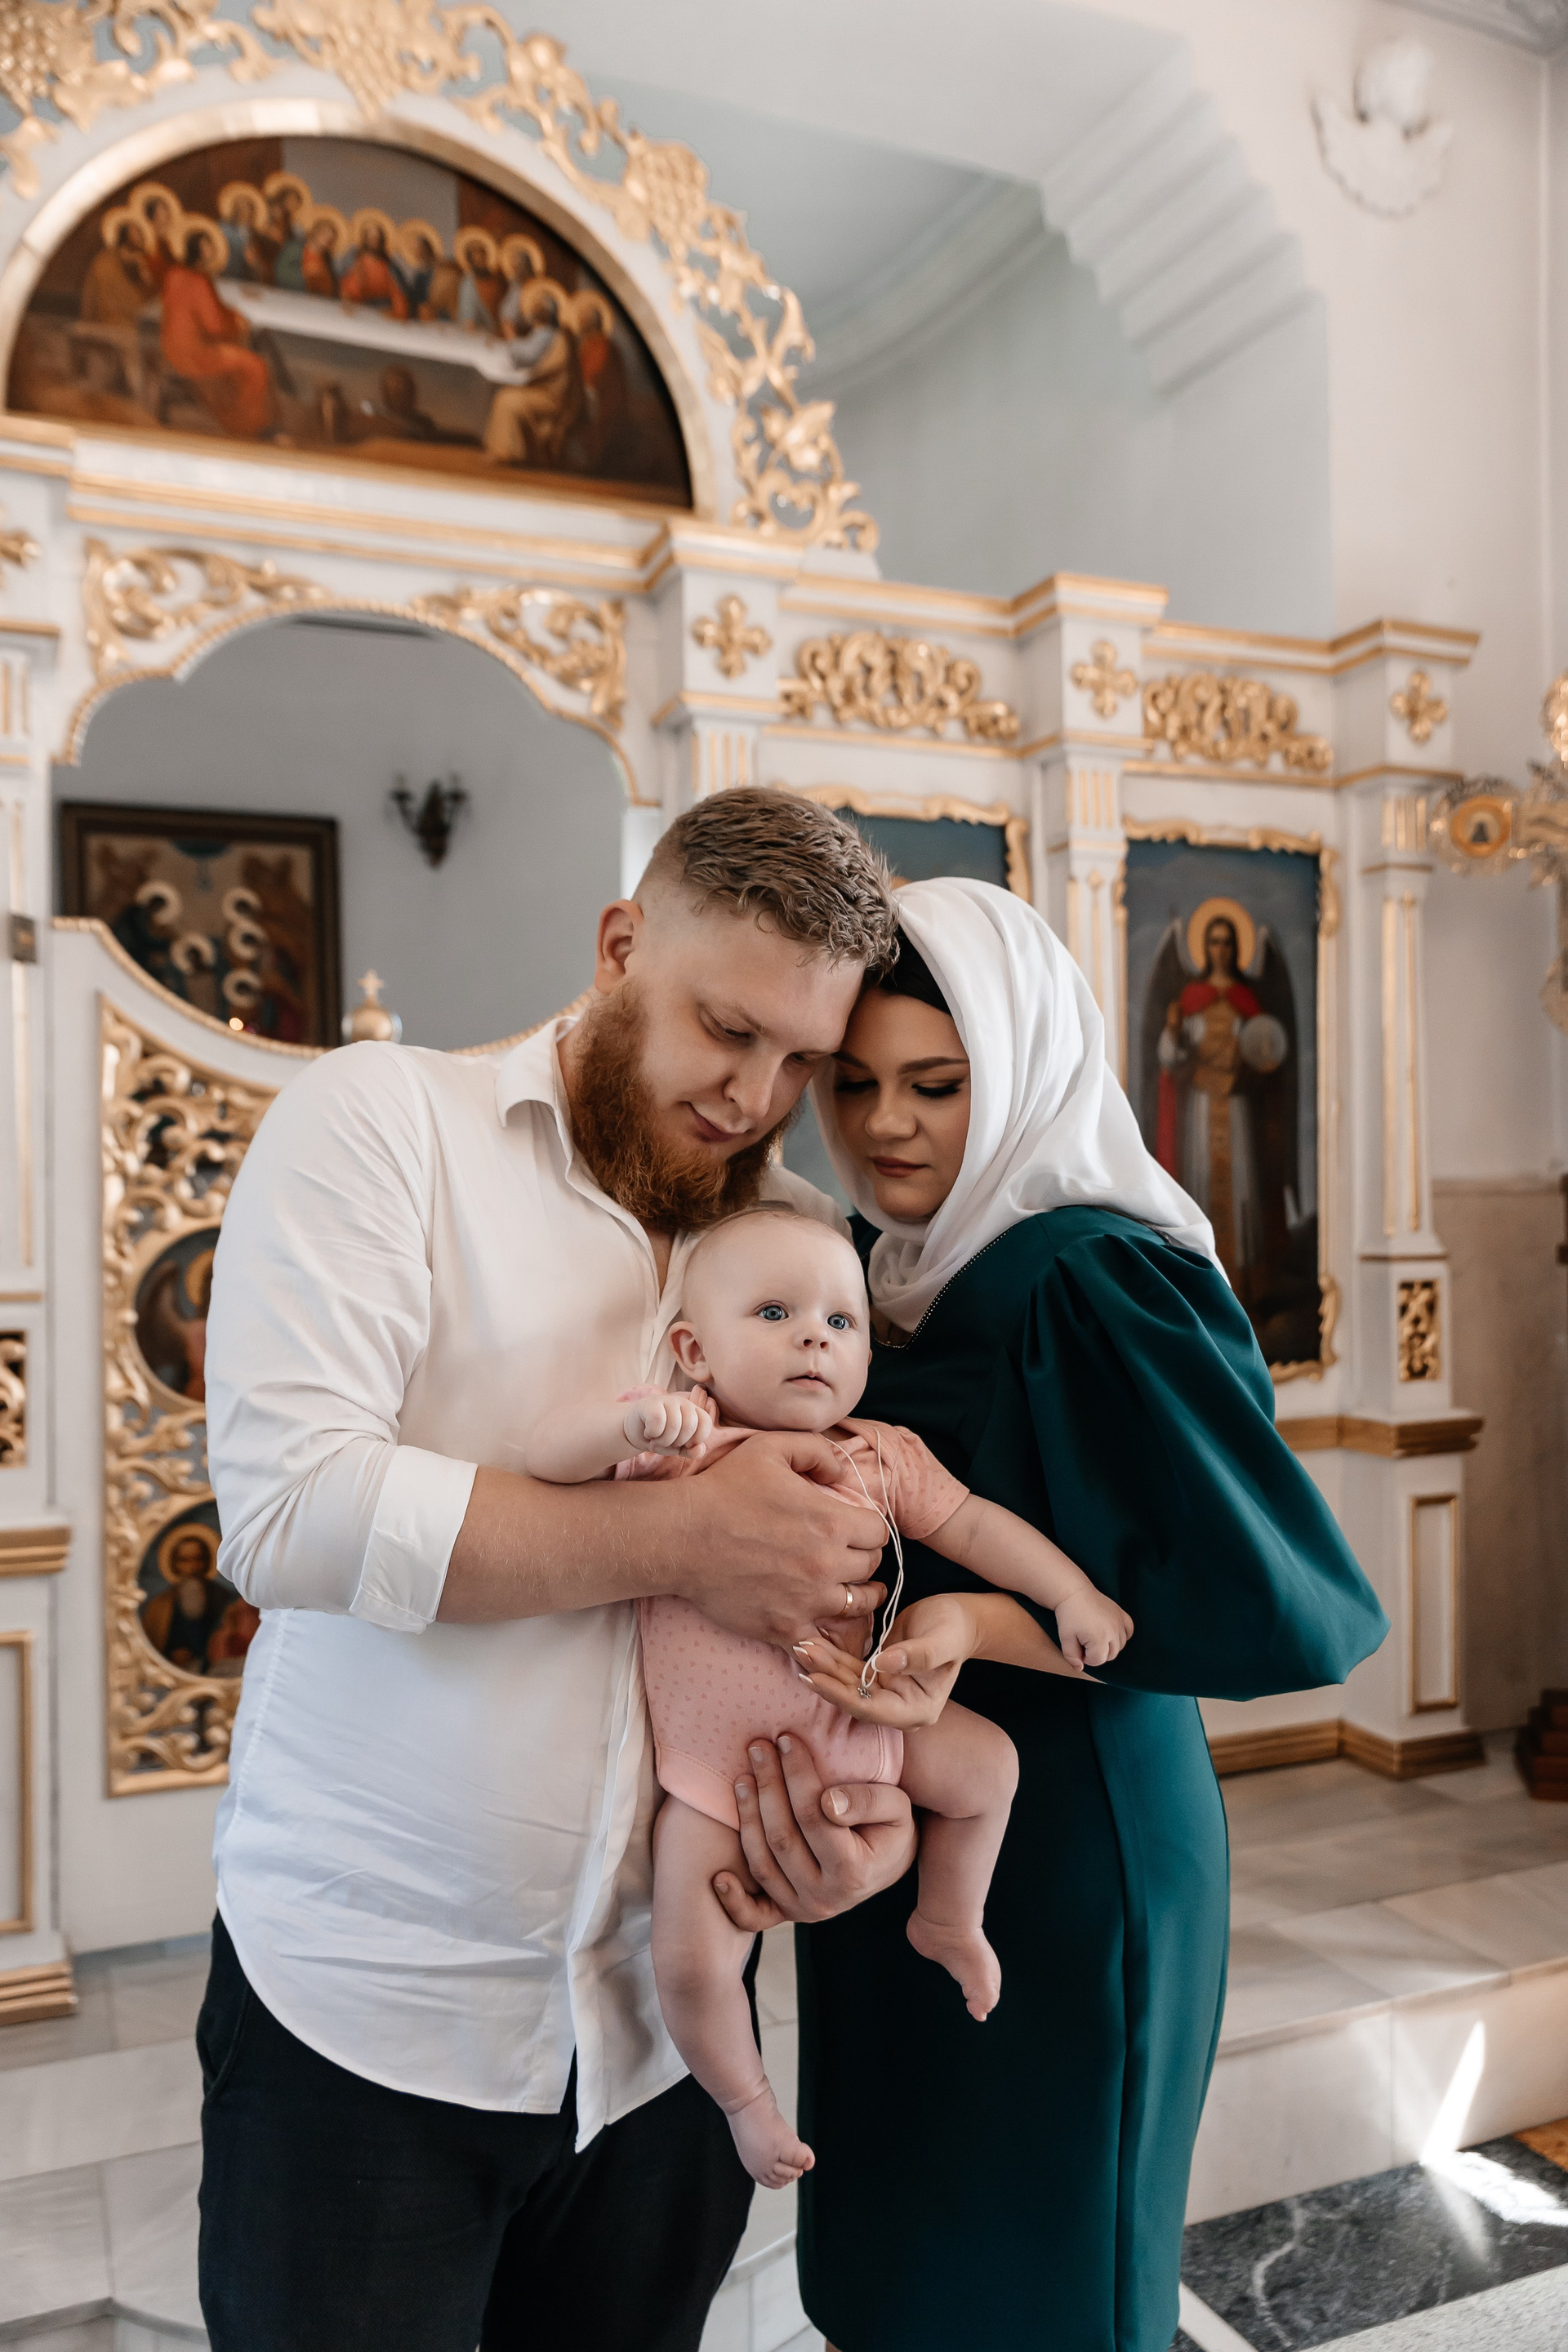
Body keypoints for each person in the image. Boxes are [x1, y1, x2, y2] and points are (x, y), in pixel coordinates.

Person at [198, 789, 920, 2352]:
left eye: (803, 1061)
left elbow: (844, 1564)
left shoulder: (799, 1243)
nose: (755, 1096)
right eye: (725, 1029)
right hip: (369, 2026)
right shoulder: (388, 1123)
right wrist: (681, 1539)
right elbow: (290, 1508)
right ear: (619, 946)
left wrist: (847, 1827)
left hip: (663, 2047)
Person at [745, 876, 1388, 2352]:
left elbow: (1268, 1604)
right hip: (903, 1819)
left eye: (937, 1085)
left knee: (1040, 2282)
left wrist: (976, 1627)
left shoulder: (1092, 1274)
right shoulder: (876, 1270)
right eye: (854, 1083)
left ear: (1025, 1064)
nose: (886, 1124)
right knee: (903, 2268)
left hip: (1069, 1849)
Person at [526, 1206, 1129, 2189]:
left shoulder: (879, 1455)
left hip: (857, 1720)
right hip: (717, 1774)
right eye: (775, 1314)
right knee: (690, 1957)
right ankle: (746, 2103)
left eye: (840, 1322)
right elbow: (545, 1458)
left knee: (989, 1767)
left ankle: (949, 1916)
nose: (814, 1337)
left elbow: (977, 1527)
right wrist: (621, 1425)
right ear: (695, 1351)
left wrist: (1069, 1594)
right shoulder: (686, 1443)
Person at [158, 227, 273, 439]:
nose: (212, 248)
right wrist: (237, 323)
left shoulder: (174, 274)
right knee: (256, 366)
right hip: (195, 353)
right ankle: (246, 425)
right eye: (207, 244)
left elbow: (204, 310)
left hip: (171, 348)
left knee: (239, 358)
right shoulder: (200, 280)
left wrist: (232, 314)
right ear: (198, 249)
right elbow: (215, 326)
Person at [483, 292, 582, 466]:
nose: (534, 312)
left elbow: (528, 355)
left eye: (539, 309)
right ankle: (508, 452)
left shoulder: (550, 334)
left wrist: (510, 339)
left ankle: (508, 453)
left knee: (507, 400)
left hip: (553, 397)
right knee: (505, 397)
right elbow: (529, 351)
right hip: (545, 391)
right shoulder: (546, 332)